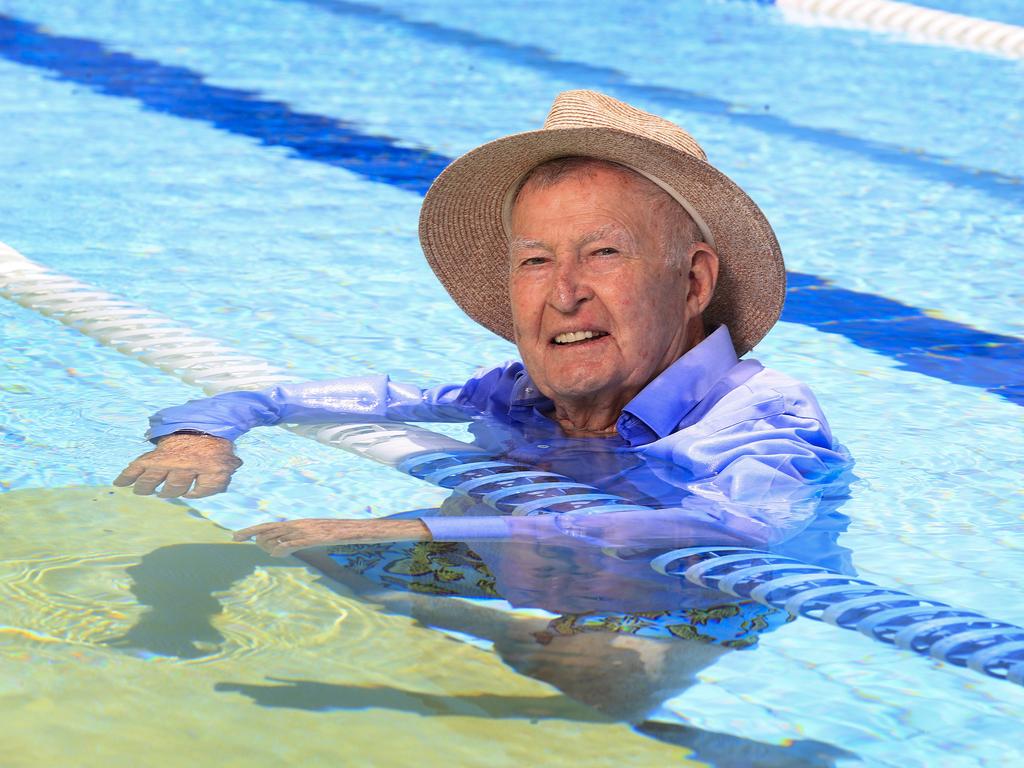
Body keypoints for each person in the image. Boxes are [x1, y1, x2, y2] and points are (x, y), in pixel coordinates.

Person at [115, 89, 850, 557]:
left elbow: (738, 528)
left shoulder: (757, 416)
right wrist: (200, 432)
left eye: (602, 253)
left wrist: (422, 528)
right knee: (281, 568)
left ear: (692, 283)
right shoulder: (517, 394)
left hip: (676, 608)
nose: (564, 294)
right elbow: (290, 397)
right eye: (535, 262)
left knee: (599, 673)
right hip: (526, 572)